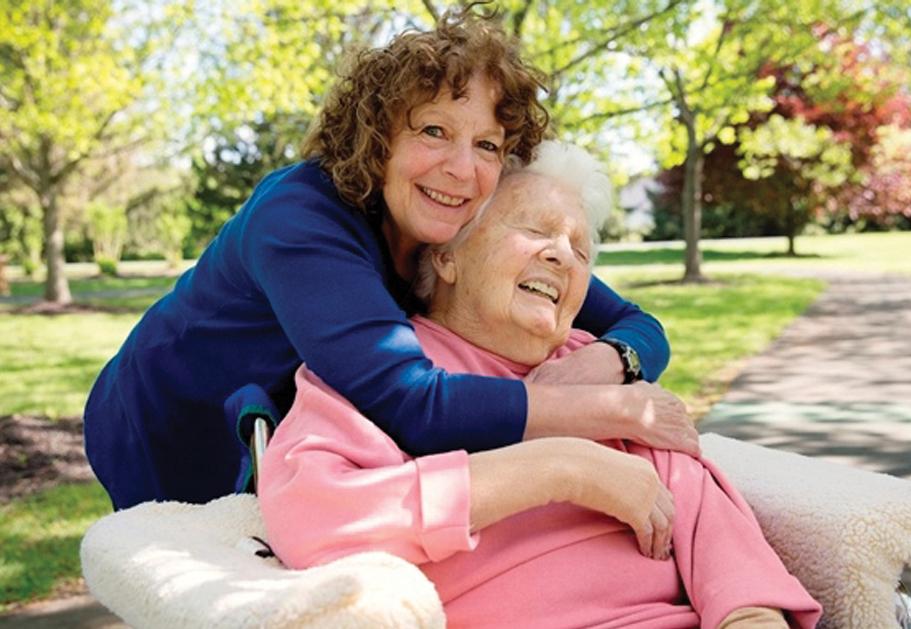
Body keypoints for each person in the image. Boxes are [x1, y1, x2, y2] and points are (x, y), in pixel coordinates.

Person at [83, 10, 697, 511]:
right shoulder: (299, 216)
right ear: (377, 137)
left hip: (282, 431)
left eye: (486, 145)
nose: (462, 169)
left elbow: (639, 324)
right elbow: (412, 403)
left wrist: (610, 360)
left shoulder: (463, 221)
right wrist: (620, 410)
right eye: (433, 131)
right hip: (168, 420)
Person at [257, 142, 822, 629]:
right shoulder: (385, 367)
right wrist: (559, 470)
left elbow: (722, 549)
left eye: (582, 251)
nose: (562, 256)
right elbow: (312, 516)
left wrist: (751, 616)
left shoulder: (603, 378)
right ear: (447, 255)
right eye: (533, 230)